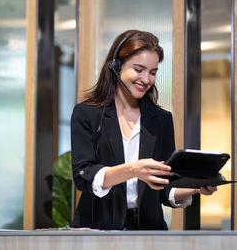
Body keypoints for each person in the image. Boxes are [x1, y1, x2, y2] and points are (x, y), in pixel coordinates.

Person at [70, 30, 217, 230]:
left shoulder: (161, 120)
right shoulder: (86, 114)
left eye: (153, 72)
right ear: (115, 66)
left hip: (149, 231)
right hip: (98, 229)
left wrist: (194, 187)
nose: (146, 79)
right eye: (139, 69)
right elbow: (83, 175)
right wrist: (134, 170)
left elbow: (165, 187)